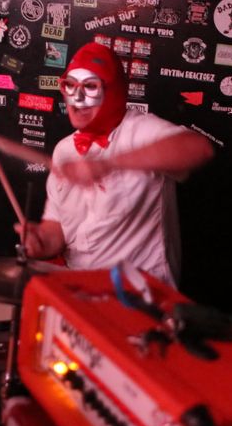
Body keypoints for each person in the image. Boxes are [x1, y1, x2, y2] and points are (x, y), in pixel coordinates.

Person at [16, 42, 214, 286]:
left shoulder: (140, 129)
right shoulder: (64, 150)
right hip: (79, 283)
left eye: (90, 86)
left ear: (113, 92)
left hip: (139, 289)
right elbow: (58, 229)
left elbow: (199, 148)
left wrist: (108, 164)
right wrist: (41, 241)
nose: (77, 98)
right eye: (70, 85)